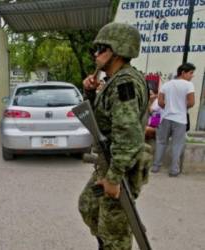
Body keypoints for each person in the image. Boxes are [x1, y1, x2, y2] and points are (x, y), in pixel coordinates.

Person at [80, 23, 150, 250]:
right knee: (88, 206)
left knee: (115, 231)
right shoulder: (113, 80)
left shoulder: (124, 83)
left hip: (120, 167)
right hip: (109, 163)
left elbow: (129, 136)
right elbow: (101, 120)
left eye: (101, 48)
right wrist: (90, 92)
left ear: (117, 51)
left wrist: (114, 177)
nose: (96, 54)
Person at [152, 63, 195, 177]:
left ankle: (156, 166)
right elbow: (191, 102)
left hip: (165, 118)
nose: (192, 76)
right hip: (180, 119)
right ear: (183, 72)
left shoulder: (167, 84)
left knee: (161, 142)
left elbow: (160, 102)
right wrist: (181, 107)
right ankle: (174, 170)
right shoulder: (189, 85)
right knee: (177, 144)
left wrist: (169, 107)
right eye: (191, 73)